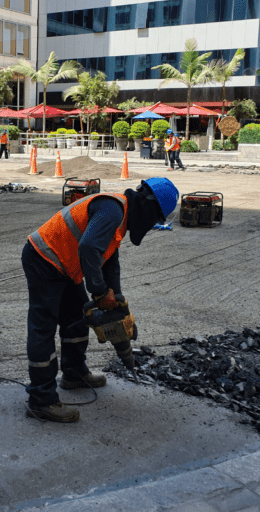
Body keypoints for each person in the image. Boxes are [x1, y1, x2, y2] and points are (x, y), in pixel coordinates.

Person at [22, 177, 179, 422]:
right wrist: (99, 292)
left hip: (65, 266)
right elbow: (88, 249)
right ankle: (41, 400)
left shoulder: (120, 214)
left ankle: (74, 373)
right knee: (43, 327)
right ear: (150, 209)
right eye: (155, 219)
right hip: (44, 259)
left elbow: (109, 261)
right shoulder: (112, 210)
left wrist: (115, 300)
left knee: (75, 319)